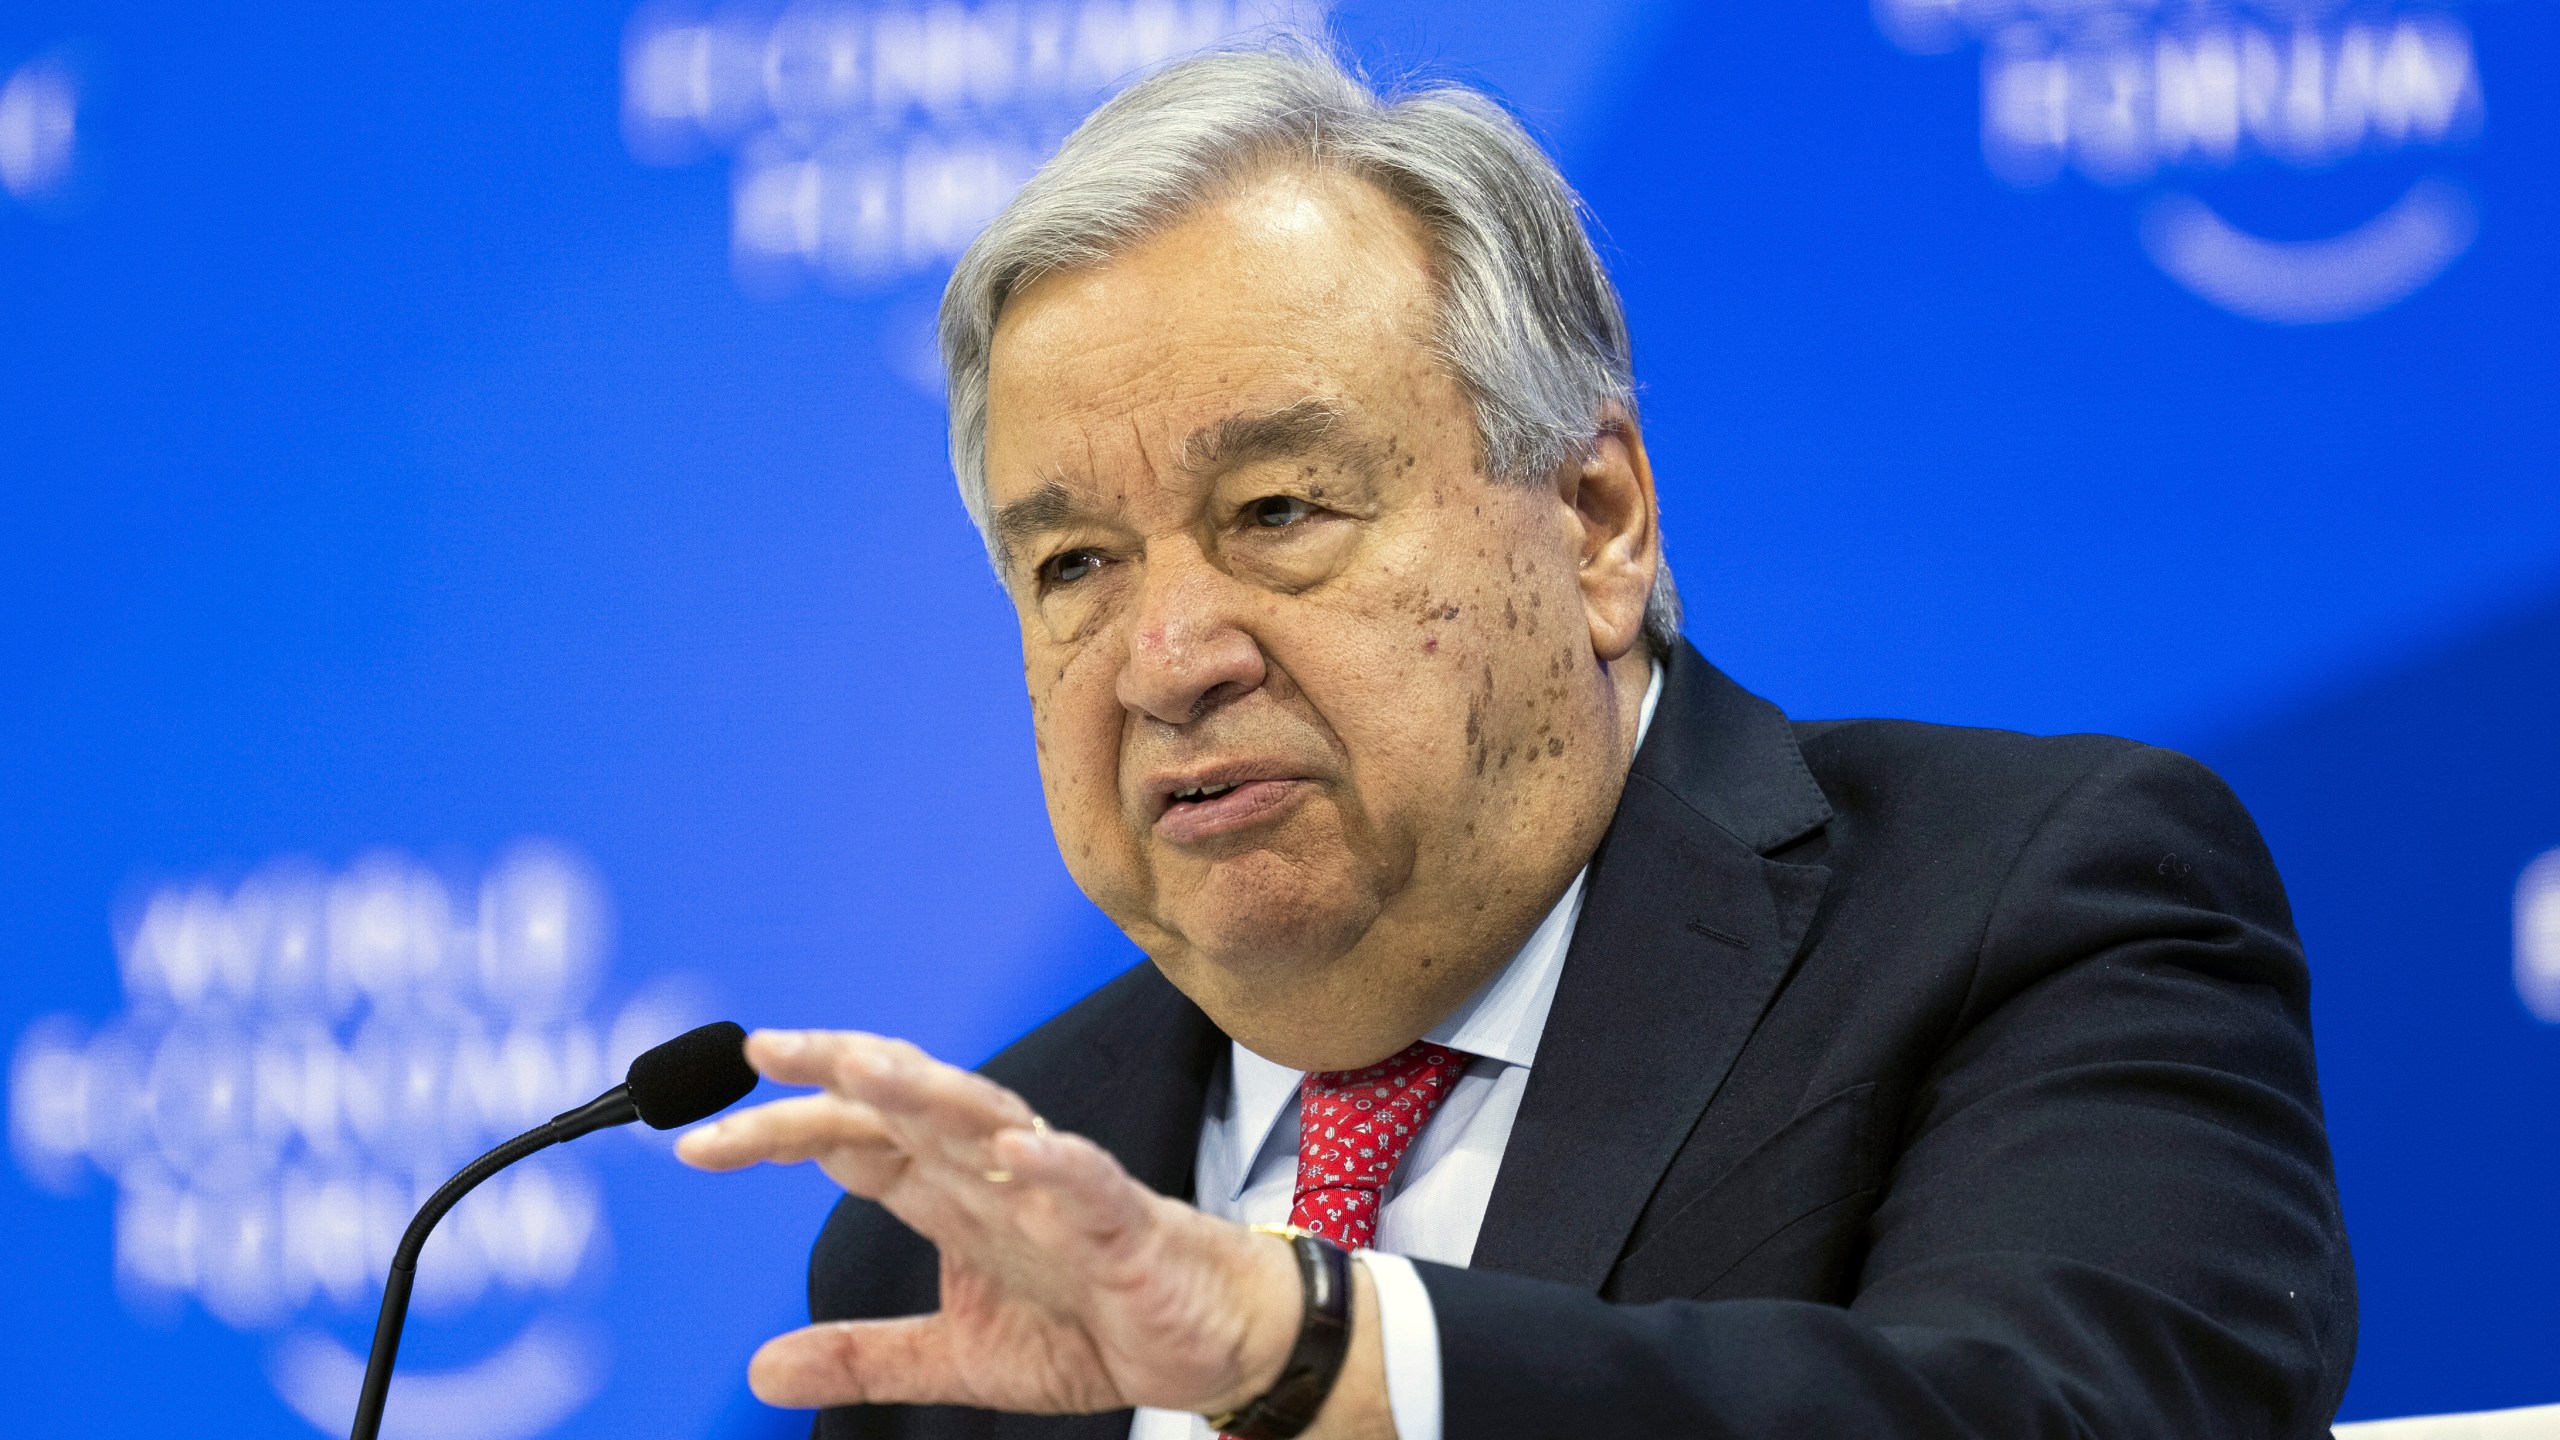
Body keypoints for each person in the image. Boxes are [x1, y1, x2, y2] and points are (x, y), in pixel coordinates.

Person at [675, 42, 2356, 1440]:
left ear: (1596, 520)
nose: (1168, 660)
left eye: (1277, 509)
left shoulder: (2028, 913)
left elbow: (2058, 1416)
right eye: (1074, 568)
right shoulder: (967, 1226)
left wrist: (1310, 1346)